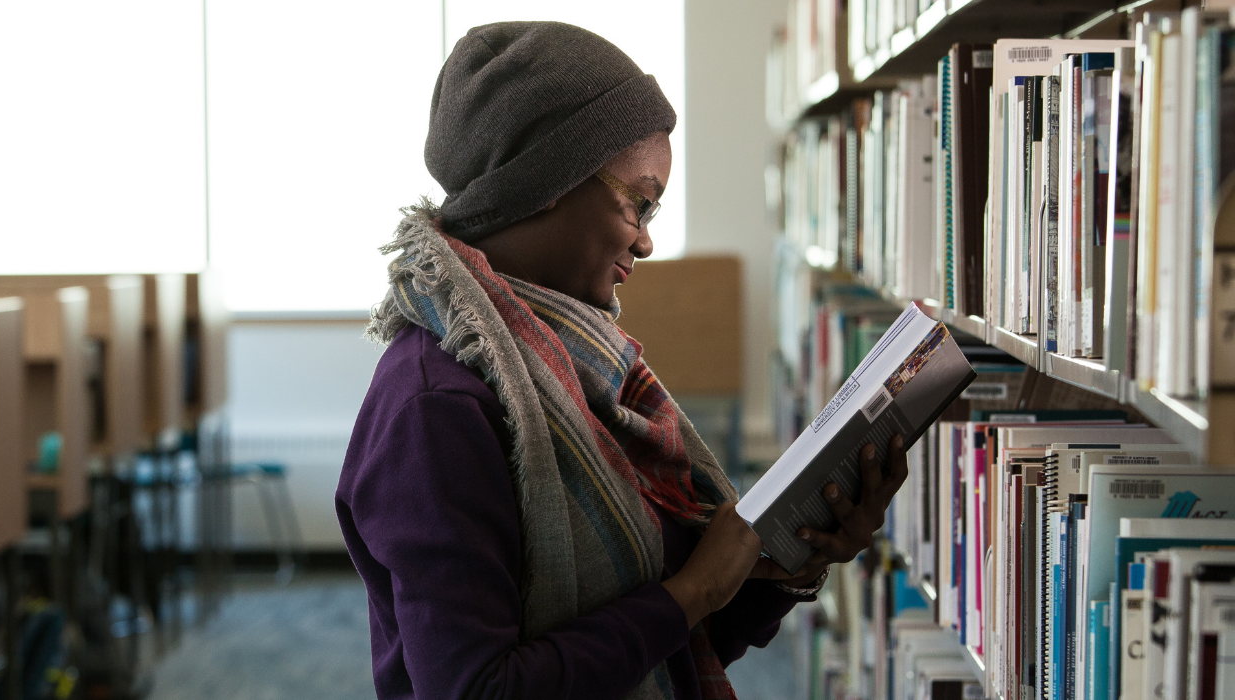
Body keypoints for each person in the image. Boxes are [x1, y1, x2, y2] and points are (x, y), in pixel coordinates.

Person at [336, 21, 908, 700]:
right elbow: (479, 690)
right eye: (639, 202)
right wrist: (692, 591)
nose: (645, 244)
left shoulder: (579, 369)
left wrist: (788, 564)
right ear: (551, 179)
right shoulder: (437, 407)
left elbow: (666, 646)